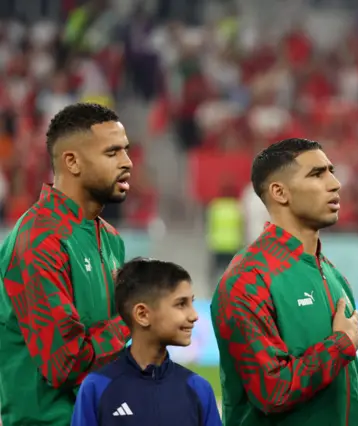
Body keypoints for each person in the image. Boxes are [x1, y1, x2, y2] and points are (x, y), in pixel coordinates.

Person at [211, 138, 358, 426]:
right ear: (279, 192)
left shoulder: (333, 275)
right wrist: (340, 345)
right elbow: (272, 391)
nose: (335, 184)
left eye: (331, 171)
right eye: (317, 174)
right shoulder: (248, 279)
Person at [0, 102, 133, 425]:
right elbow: (64, 363)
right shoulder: (39, 241)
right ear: (72, 161)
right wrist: (136, 318)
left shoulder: (111, 238)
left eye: (126, 151)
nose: (127, 162)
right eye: (112, 152)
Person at [71, 257, 222, 426]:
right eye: (181, 304)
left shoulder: (199, 389)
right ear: (142, 315)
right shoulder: (96, 388)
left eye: (192, 303)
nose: (194, 315)